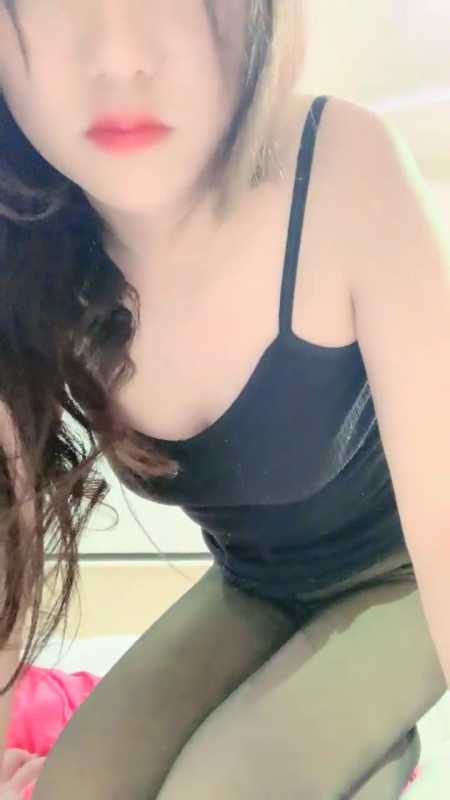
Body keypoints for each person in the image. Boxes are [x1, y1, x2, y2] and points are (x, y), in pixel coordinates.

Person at [0, 2, 447, 798]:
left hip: (404, 582)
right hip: (252, 583)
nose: (121, 57)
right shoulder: (28, 246)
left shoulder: (341, 170)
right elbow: (11, 545)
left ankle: (376, 761)